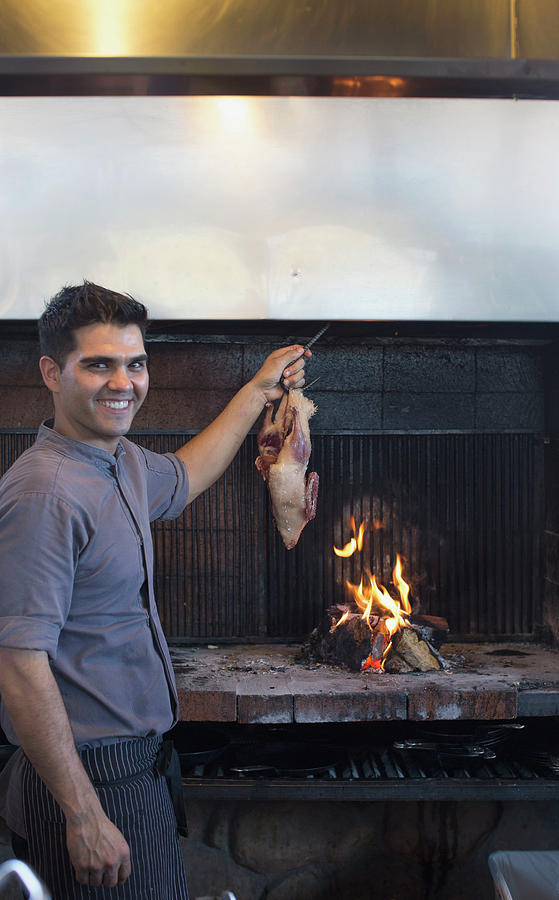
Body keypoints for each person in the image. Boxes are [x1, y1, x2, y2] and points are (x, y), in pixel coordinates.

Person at [0, 281, 310, 899]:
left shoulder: (118, 462)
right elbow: (17, 664)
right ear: (51, 373)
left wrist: (256, 394)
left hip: (135, 765)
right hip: (90, 774)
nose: (124, 383)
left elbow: (188, 473)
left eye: (135, 364)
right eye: (99, 365)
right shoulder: (45, 494)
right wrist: (83, 816)